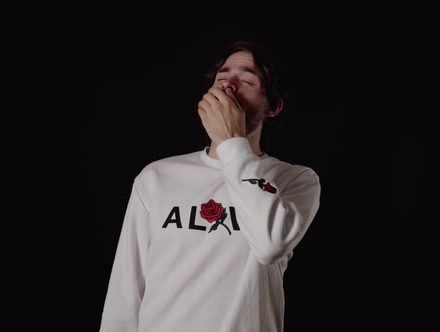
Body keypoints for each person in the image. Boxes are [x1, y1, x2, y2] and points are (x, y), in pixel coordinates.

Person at [99, 39, 321, 332]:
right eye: (221, 77)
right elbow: (124, 297)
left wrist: (232, 142)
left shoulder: (295, 179)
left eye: (246, 80)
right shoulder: (157, 177)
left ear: (273, 107)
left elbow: (270, 245)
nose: (228, 86)